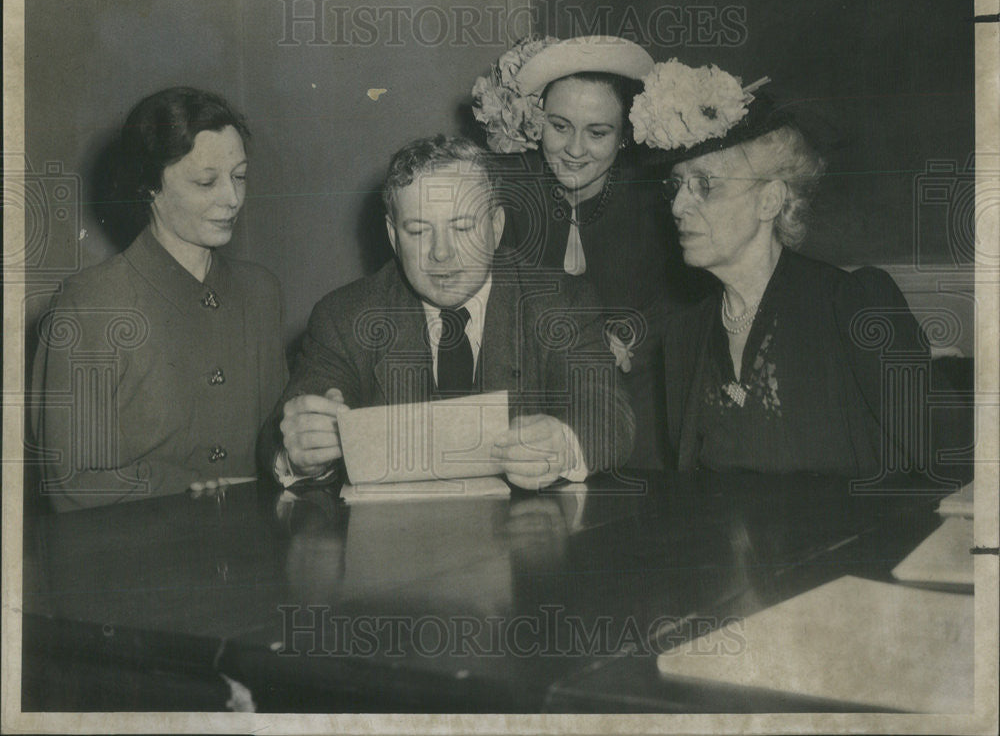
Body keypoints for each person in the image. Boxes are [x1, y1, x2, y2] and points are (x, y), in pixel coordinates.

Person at [260, 135, 635, 491]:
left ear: (496, 226)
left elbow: (609, 416)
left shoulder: (558, 303)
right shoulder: (345, 317)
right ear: (393, 236)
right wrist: (302, 451)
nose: (441, 254)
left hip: (526, 549)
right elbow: (282, 428)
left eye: (462, 227)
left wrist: (566, 443)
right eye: (419, 231)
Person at [629, 61, 930, 477]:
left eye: (705, 185)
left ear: (769, 201)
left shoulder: (853, 305)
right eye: (675, 186)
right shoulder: (684, 336)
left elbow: (956, 470)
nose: (679, 207)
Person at [31, 87, 287, 511]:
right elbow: (69, 483)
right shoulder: (89, 304)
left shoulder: (261, 292)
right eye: (207, 181)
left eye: (239, 176)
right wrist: (190, 484)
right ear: (150, 186)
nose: (233, 198)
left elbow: (275, 442)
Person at [471, 36, 708, 471]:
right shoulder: (504, 189)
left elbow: (683, 300)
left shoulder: (658, 198)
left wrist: (629, 334)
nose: (575, 150)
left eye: (598, 133)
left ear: (623, 138)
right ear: (536, 121)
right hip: (531, 394)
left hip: (638, 391)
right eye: (559, 126)